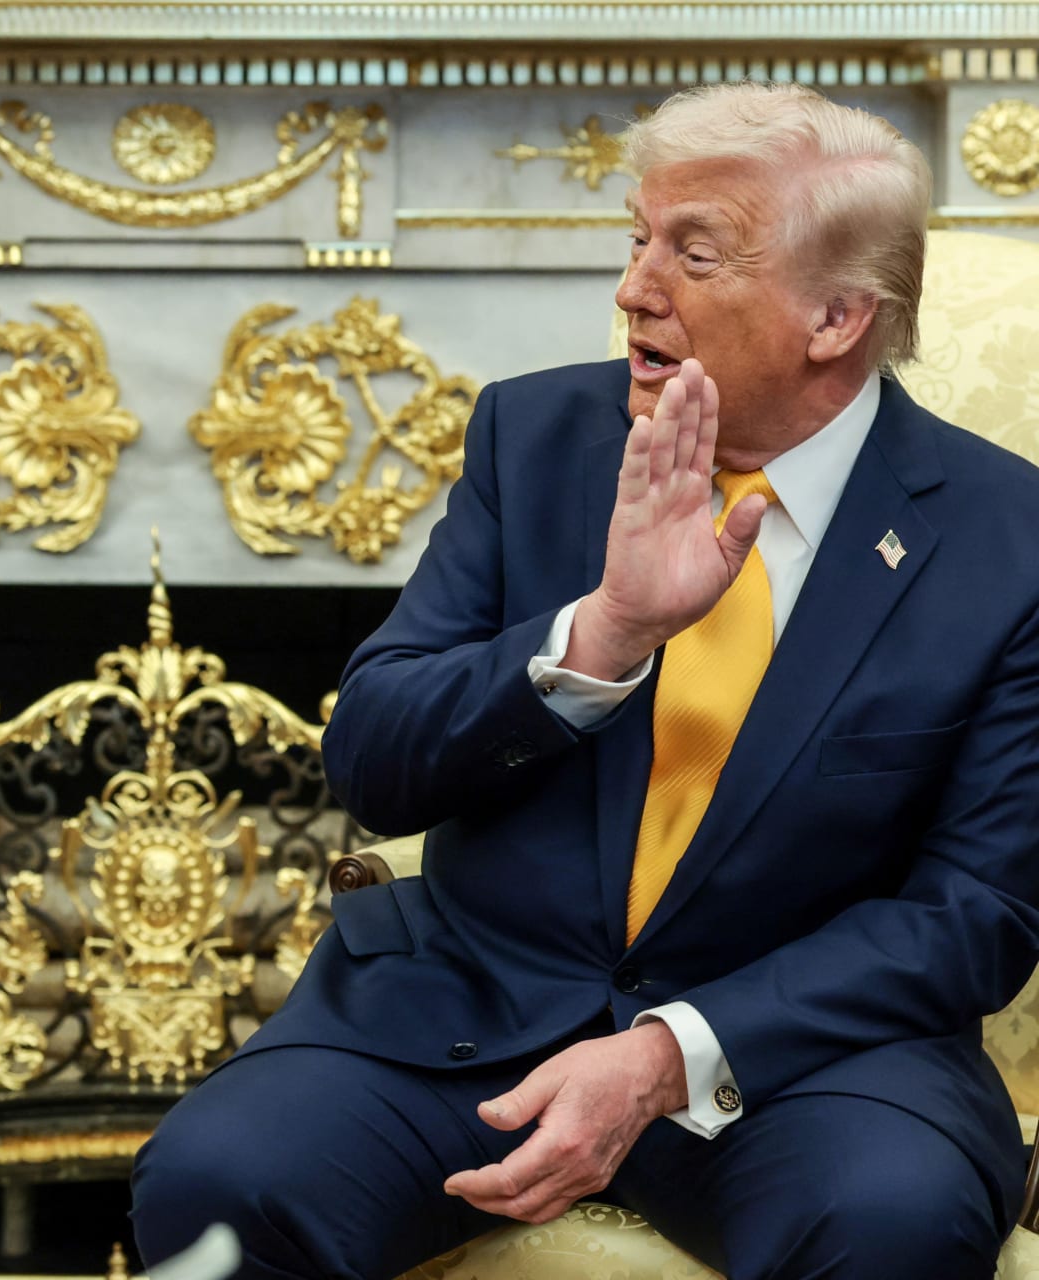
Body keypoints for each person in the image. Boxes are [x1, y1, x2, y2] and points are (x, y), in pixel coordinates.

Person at [131, 82, 1039, 1280]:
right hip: (467, 1011)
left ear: (835, 318)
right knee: (218, 1184)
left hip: (807, 1059)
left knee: (890, 1222)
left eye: (694, 253)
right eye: (637, 238)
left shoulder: (1006, 540)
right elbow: (374, 758)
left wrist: (669, 1051)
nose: (633, 289)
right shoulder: (535, 437)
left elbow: (976, 912)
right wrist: (602, 635)